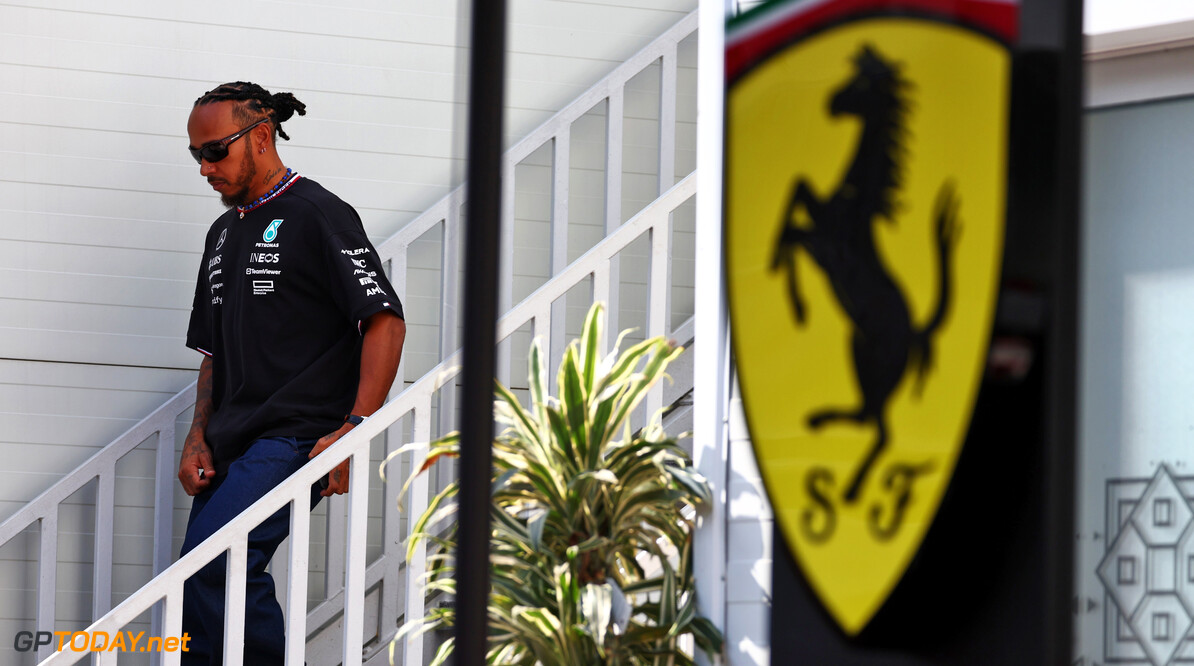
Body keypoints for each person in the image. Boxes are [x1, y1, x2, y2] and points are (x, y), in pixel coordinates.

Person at [178, 81, 406, 665]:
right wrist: (197, 434)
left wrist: (356, 428)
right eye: (196, 155)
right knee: (197, 578)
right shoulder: (223, 233)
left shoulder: (316, 211)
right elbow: (213, 353)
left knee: (217, 558)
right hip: (232, 437)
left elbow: (384, 320)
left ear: (259, 135)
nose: (205, 168)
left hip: (295, 433)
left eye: (214, 151)